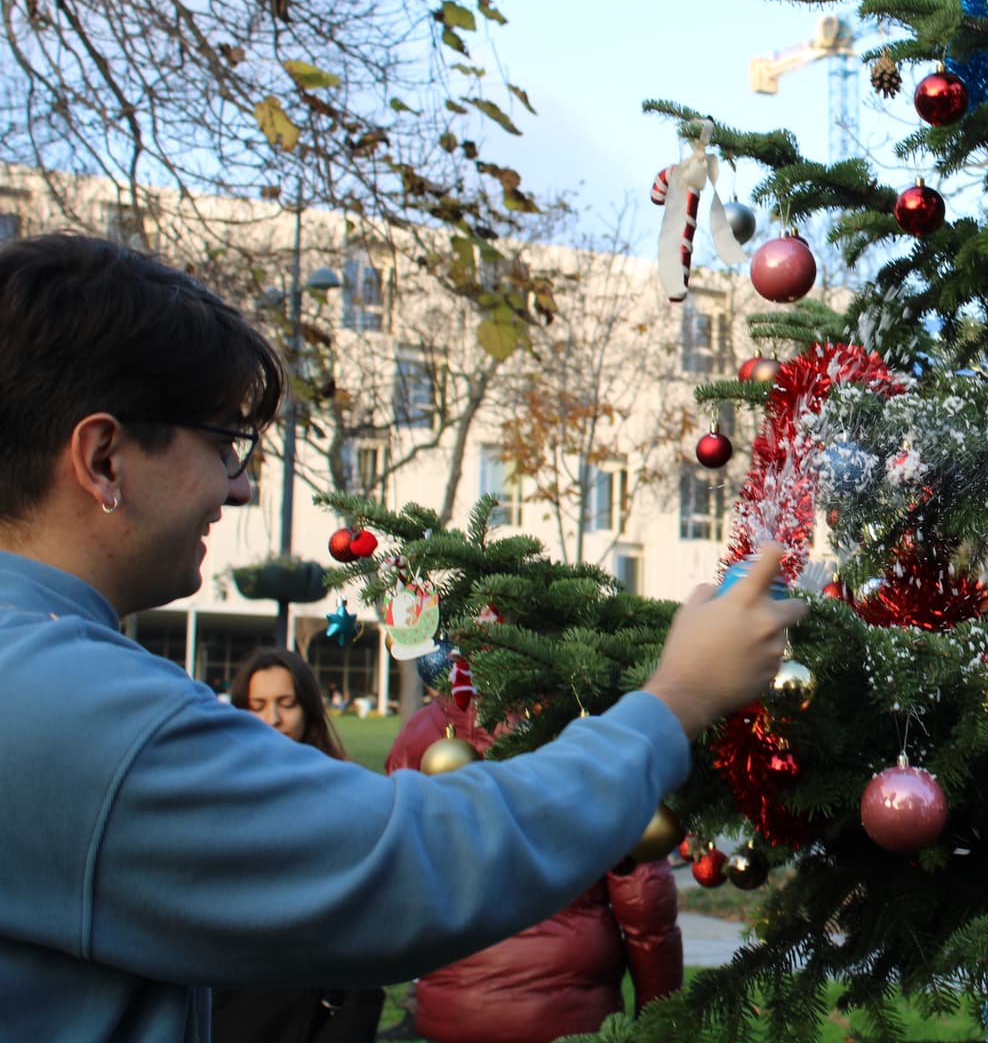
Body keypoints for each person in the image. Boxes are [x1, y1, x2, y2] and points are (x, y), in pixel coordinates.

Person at [0, 233, 804, 1043]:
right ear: (103, 458)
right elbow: (412, 860)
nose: (239, 487)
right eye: (222, 446)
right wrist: (676, 700)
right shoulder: (74, 710)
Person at [384, 679, 683, 1043]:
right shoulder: (588, 728)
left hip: (457, 999)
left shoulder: (423, 734)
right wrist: (659, 1018)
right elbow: (644, 900)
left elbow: (402, 868)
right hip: (569, 1002)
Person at [211, 648, 384, 1042]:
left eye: (285, 704)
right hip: (238, 1000)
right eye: (258, 706)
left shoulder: (345, 789)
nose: (273, 719)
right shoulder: (219, 789)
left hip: (321, 1004)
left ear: (307, 707)